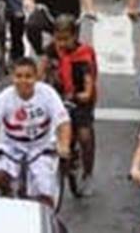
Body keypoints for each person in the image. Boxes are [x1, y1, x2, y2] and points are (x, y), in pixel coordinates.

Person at [0, 57, 71, 208]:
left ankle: (47, 219)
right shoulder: (5, 97)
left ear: (36, 77)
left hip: (41, 147)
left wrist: (64, 145)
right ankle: (7, 192)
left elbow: (63, 123)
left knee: (44, 196)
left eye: (28, 76)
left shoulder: (48, 94)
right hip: (11, 145)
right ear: (12, 77)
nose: (23, 81)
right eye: (18, 76)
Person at [41, 15, 98, 196]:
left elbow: (88, 87)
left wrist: (80, 96)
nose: (61, 44)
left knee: (84, 135)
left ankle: (88, 173)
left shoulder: (84, 56)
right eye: (58, 39)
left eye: (66, 39)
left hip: (78, 100)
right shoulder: (51, 50)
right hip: (57, 96)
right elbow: (41, 71)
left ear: (75, 36)